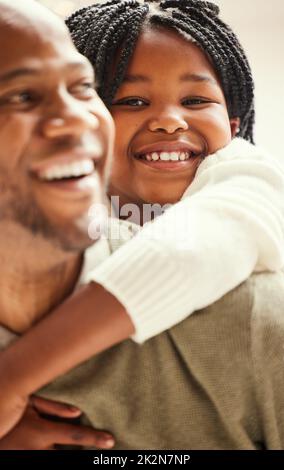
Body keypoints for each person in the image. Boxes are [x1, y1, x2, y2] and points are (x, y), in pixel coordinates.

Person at [1, 0, 284, 449]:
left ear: (233, 126)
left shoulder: (246, 178)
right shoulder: (55, 213)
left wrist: (13, 377)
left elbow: (189, 253)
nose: (170, 120)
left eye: (195, 100)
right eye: (130, 100)